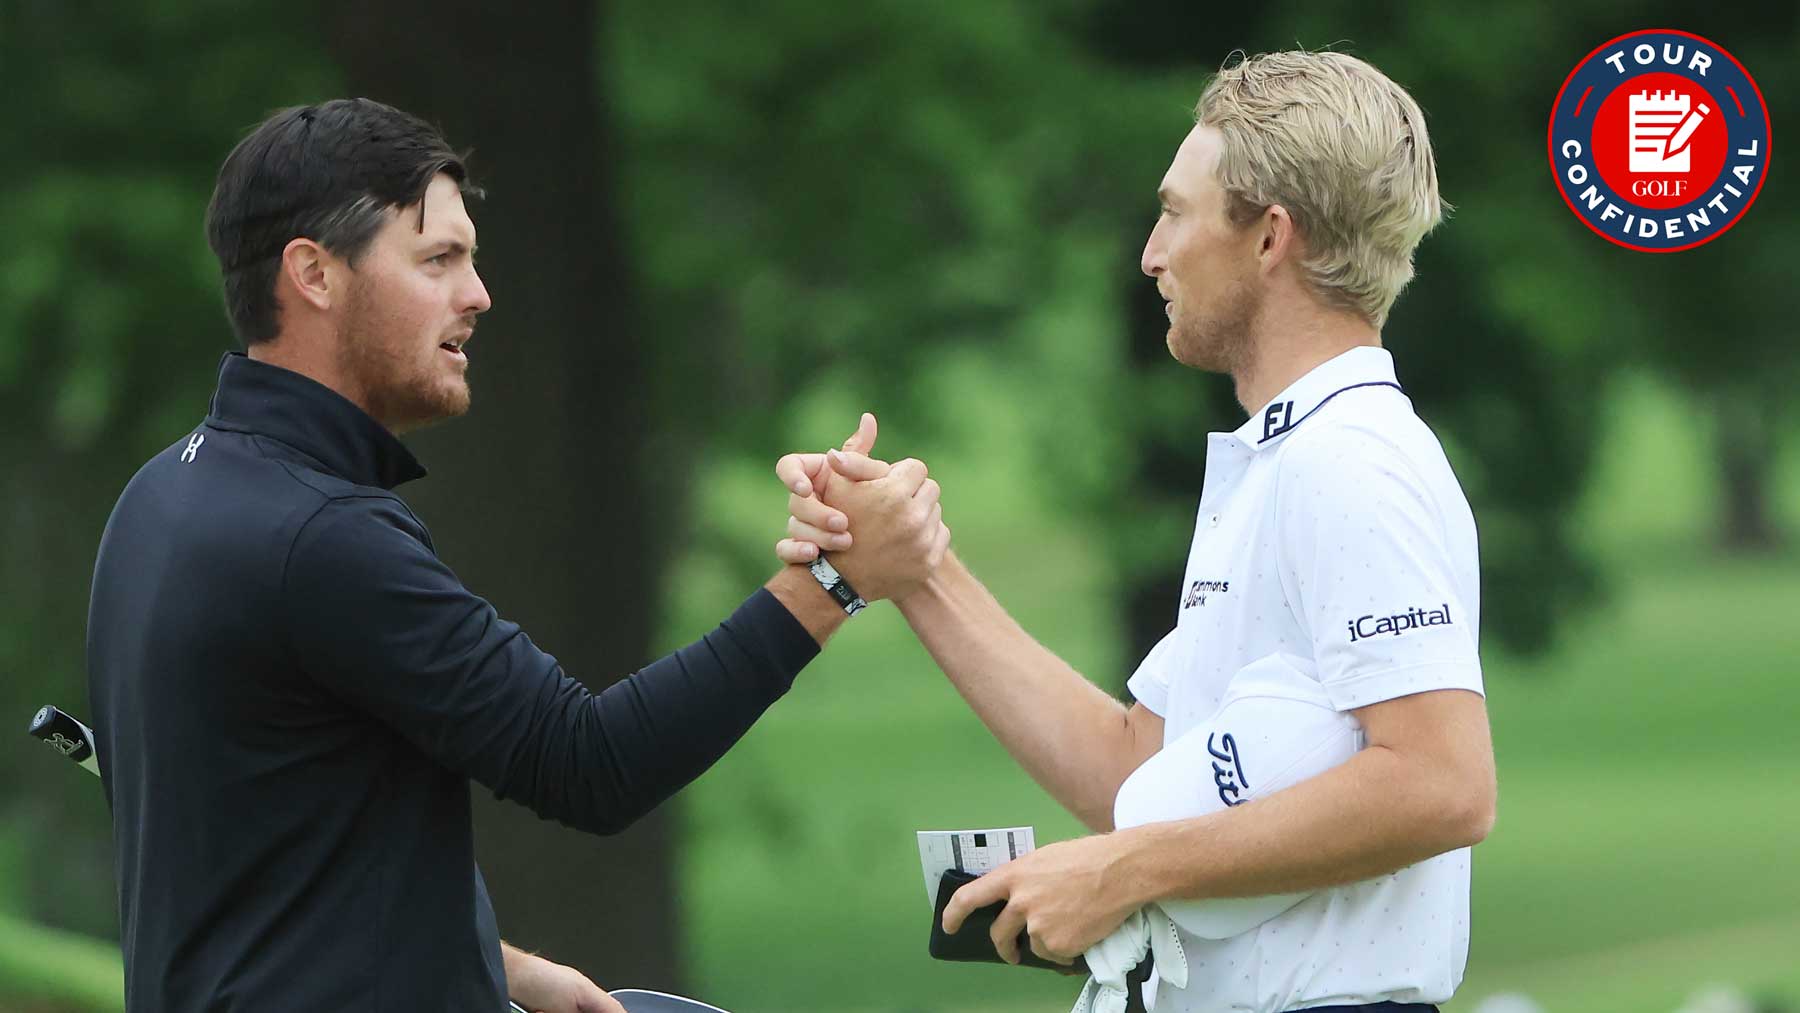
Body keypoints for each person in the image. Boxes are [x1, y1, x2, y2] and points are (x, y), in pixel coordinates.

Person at [84, 98, 947, 1013]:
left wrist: (491, 962)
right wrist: (831, 580)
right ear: (314, 274)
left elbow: (263, 858)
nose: (478, 294)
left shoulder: (165, 495)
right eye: (437, 260)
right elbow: (589, 761)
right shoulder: (320, 536)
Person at [776, 51, 1495, 1012]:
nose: (1151, 253)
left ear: (1270, 238)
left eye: (1175, 212)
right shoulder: (1286, 457)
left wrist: (1124, 871)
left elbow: (1443, 783)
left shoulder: (1352, 459)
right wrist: (915, 567)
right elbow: (1133, 768)